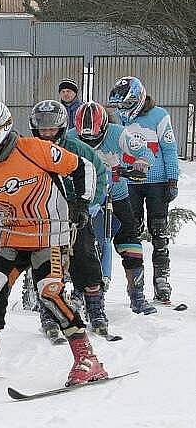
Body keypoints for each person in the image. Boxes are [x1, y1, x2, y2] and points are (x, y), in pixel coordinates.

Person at [0, 99, 107, 386]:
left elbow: (83, 168)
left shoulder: (34, 149)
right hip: (12, 238)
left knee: (49, 292)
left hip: (49, 236)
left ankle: (87, 358)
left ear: (1, 129)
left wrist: (81, 203)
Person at [28, 100, 109, 338]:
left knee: (86, 259)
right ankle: (49, 313)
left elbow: (98, 175)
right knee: (48, 266)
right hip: (43, 218)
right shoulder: (28, 150)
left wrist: (88, 205)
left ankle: (95, 309)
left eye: (52, 129)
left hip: (76, 215)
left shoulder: (78, 149)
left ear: (61, 128)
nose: (47, 134)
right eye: (43, 130)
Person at [72, 100, 157, 315]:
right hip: (85, 198)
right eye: (85, 137)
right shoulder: (71, 137)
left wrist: (142, 162)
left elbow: (144, 150)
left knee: (130, 242)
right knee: (73, 242)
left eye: (95, 137)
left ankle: (137, 295)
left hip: (116, 195)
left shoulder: (119, 133)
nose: (90, 141)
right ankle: (73, 292)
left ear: (103, 127)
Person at [108, 77, 180, 303]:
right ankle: (135, 282)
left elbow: (169, 148)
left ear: (139, 98)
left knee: (159, 231)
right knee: (132, 232)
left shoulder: (159, 116)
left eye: (127, 104)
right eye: (120, 105)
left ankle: (162, 280)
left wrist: (173, 179)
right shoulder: (117, 118)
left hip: (157, 182)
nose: (123, 109)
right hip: (129, 183)